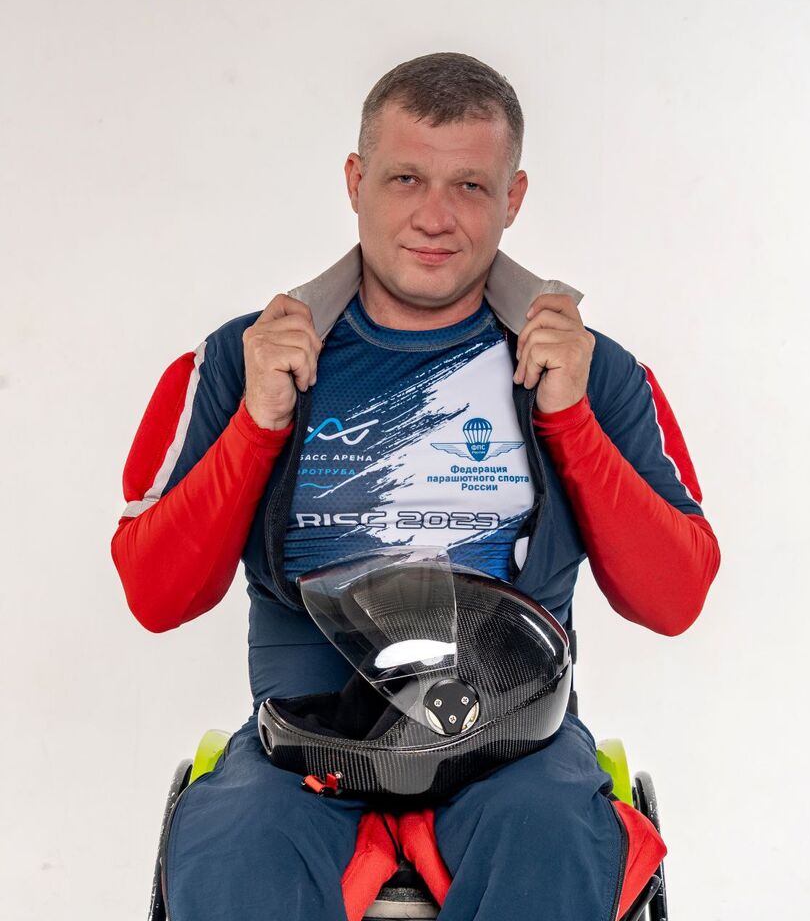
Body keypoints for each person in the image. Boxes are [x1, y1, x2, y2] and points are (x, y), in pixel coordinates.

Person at [112, 52, 720, 921]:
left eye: (470, 186)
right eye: (406, 178)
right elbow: (155, 595)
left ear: (512, 198)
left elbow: (675, 599)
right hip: (303, 746)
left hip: (517, 747)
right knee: (239, 852)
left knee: (548, 840)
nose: (435, 217)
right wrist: (256, 424)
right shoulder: (238, 360)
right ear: (355, 181)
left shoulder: (598, 371)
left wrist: (572, 422)